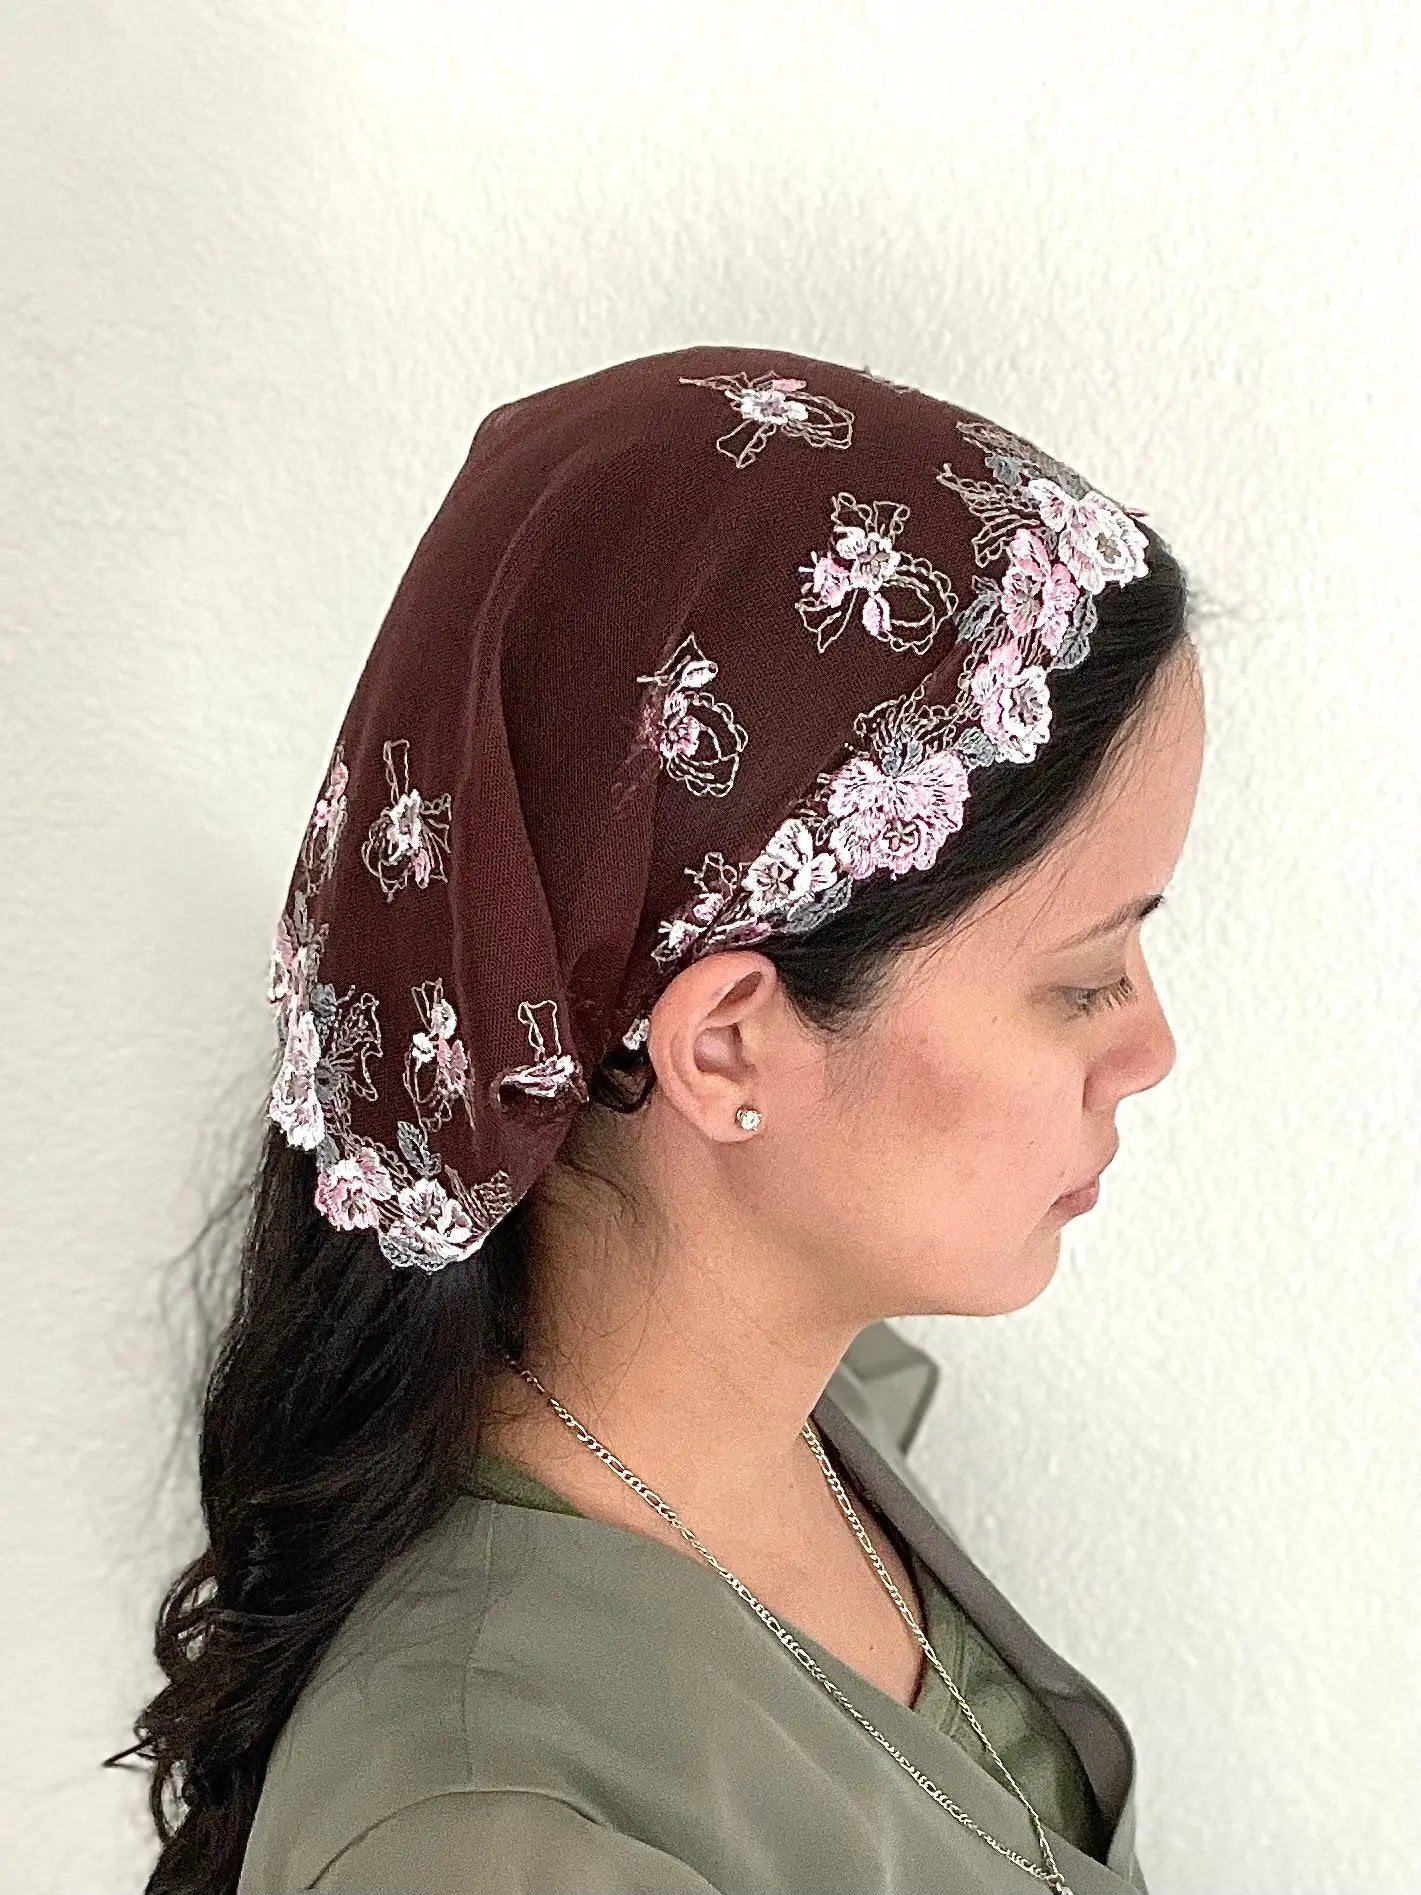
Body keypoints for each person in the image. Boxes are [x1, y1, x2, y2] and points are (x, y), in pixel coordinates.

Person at [108, 344, 1204, 1894]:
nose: (1148, 1047)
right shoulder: (487, 1838)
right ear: (728, 1045)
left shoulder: (796, 1411)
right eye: (1083, 978)